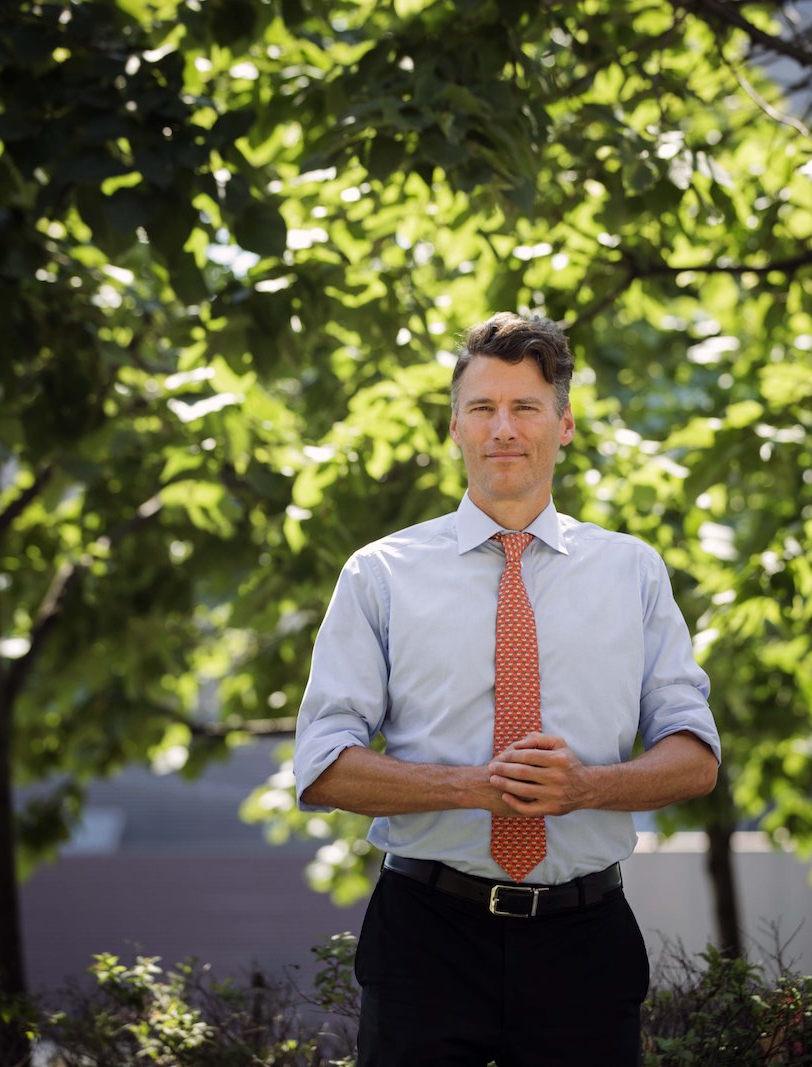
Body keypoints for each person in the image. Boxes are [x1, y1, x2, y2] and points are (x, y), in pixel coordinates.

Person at [293, 311, 721, 1067]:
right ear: (454, 426)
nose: (504, 428)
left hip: (585, 940)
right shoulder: (379, 574)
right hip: (426, 935)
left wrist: (584, 786)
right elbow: (324, 766)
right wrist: (473, 785)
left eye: (526, 407)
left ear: (565, 426)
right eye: (483, 408)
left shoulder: (634, 571)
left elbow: (695, 757)